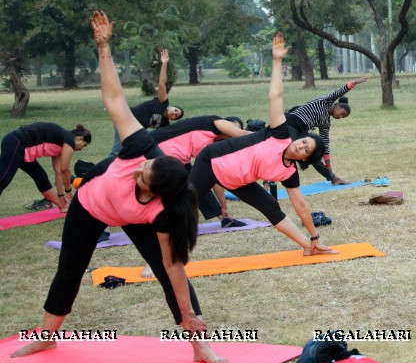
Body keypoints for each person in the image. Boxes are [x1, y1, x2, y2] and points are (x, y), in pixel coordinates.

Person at [13, 11, 224, 363]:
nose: (138, 169)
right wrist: (103, 48)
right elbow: (114, 99)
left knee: (165, 270)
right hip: (90, 204)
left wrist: (189, 316)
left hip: (132, 217)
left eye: (142, 176)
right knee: (69, 266)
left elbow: (174, 268)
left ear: (156, 194)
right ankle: (46, 338)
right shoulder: (141, 147)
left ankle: (199, 344)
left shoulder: (162, 213)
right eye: (144, 165)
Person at [187, 33, 338, 256]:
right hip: (212, 162)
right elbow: (275, 96)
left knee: (272, 208)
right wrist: (277, 62)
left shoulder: (289, 173)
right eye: (303, 142)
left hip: (239, 180)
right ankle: (157, 258)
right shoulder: (280, 133)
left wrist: (315, 236)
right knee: (185, 207)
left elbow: (301, 206)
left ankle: (308, 245)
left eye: (305, 150)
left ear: (305, 159)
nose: (300, 146)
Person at [151, 116, 250, 227]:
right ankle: (163, 221)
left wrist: (224, 207)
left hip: (176, 155)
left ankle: (224, 218)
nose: (233, 131)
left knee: (198, 183)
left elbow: (212, 178)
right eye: (233, 127)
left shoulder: (213, 145)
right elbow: (245, 135)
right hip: (159, 149)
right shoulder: (212, 124)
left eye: (236, 130)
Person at [285, 77, 369, 185]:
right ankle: (268, 183)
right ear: (337, 106)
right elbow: (339, 92)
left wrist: (328, 166)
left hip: (301, 132)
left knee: (313, 154)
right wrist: (354, 83)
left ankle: (333, 178)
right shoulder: (325, 102)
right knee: (282, 151)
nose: (341, 117)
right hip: (290, 123)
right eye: (342, 113)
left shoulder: (325, 123)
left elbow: (325, 143)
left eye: (343, 117)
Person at [0, 123, 91, 211]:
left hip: (23, 149)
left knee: (41, 177)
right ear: (80, 139)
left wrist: (62, 198)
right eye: (84, 145)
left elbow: (59, 172)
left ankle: (63, 206)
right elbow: (65, 170)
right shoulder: (69, 141)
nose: (81, 149)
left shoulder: (62, 142)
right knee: (3, 179)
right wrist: (68, 192)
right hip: (16, 142)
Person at [111, 49, 184, 154]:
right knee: (117, 152)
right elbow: (162, 83)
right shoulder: (162, 102)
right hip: (125, 118)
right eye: (176, 110)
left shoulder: (164, 124)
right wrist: (164, 64)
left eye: (176, 116)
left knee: (129, 153)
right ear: (172, 106)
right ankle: (100, 170)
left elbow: (170, 137)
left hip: (134, 131)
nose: (174, 113)